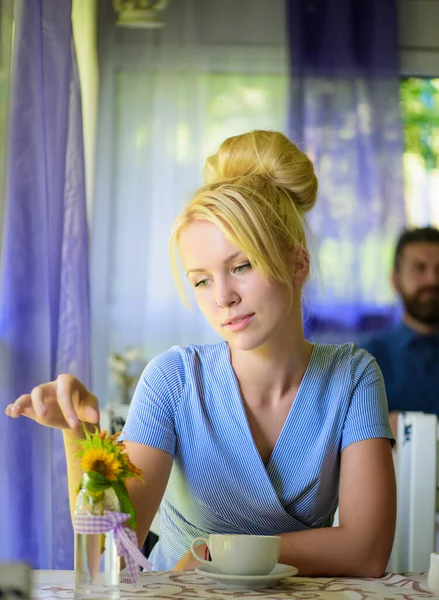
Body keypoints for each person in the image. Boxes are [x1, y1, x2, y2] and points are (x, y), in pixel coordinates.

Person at [5, 130, 396, 577]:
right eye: (201, 280)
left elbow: (365, 552)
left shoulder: (353, 376)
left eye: (241, 266)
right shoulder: (172, 378)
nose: (223, 297)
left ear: (298, 263)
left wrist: (217, 553)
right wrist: (78, 432)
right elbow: (106, 553)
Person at [363, 227, 439, 437]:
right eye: (419, 268)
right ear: (395, 280)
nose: (432, 280)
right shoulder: (365, 360)